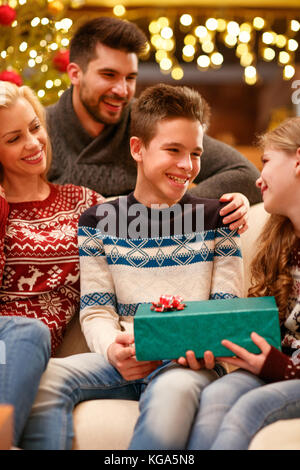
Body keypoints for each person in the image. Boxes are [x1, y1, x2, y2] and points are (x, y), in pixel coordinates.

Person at [20, 83, 244, 450]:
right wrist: (113, 350)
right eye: (173, 150)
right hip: (126, 359)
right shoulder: (98, 220)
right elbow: (95, 310)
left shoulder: (219, 218)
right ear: (137, 149)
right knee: (45, 379)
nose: (187, 166)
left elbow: (224, 310)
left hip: (187, 365)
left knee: (171, 392)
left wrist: (200, 346)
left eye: (196, 153)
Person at [46, 16, 262, 207]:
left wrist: (172, 209)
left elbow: (246, 175)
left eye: (130, 78)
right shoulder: (40, 128)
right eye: (109, 75)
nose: (122, 91)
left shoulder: (149, 120)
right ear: (75, 74)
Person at [184, 116, 300, 450]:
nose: (258, 180)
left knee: (248, 409)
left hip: (289, 375)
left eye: (265, 162)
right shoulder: (279, 237)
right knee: (216, 395)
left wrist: (278, 367)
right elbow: (270, 322)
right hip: (276, 367)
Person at [0, 80, 104, 445]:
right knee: (28, 330)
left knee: (43, 383)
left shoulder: (83, 202)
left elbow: (142, 240)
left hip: (35, 358)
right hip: (7, 340)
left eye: (34, 127)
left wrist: (223, 206)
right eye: (13, 139)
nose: (32, 143)